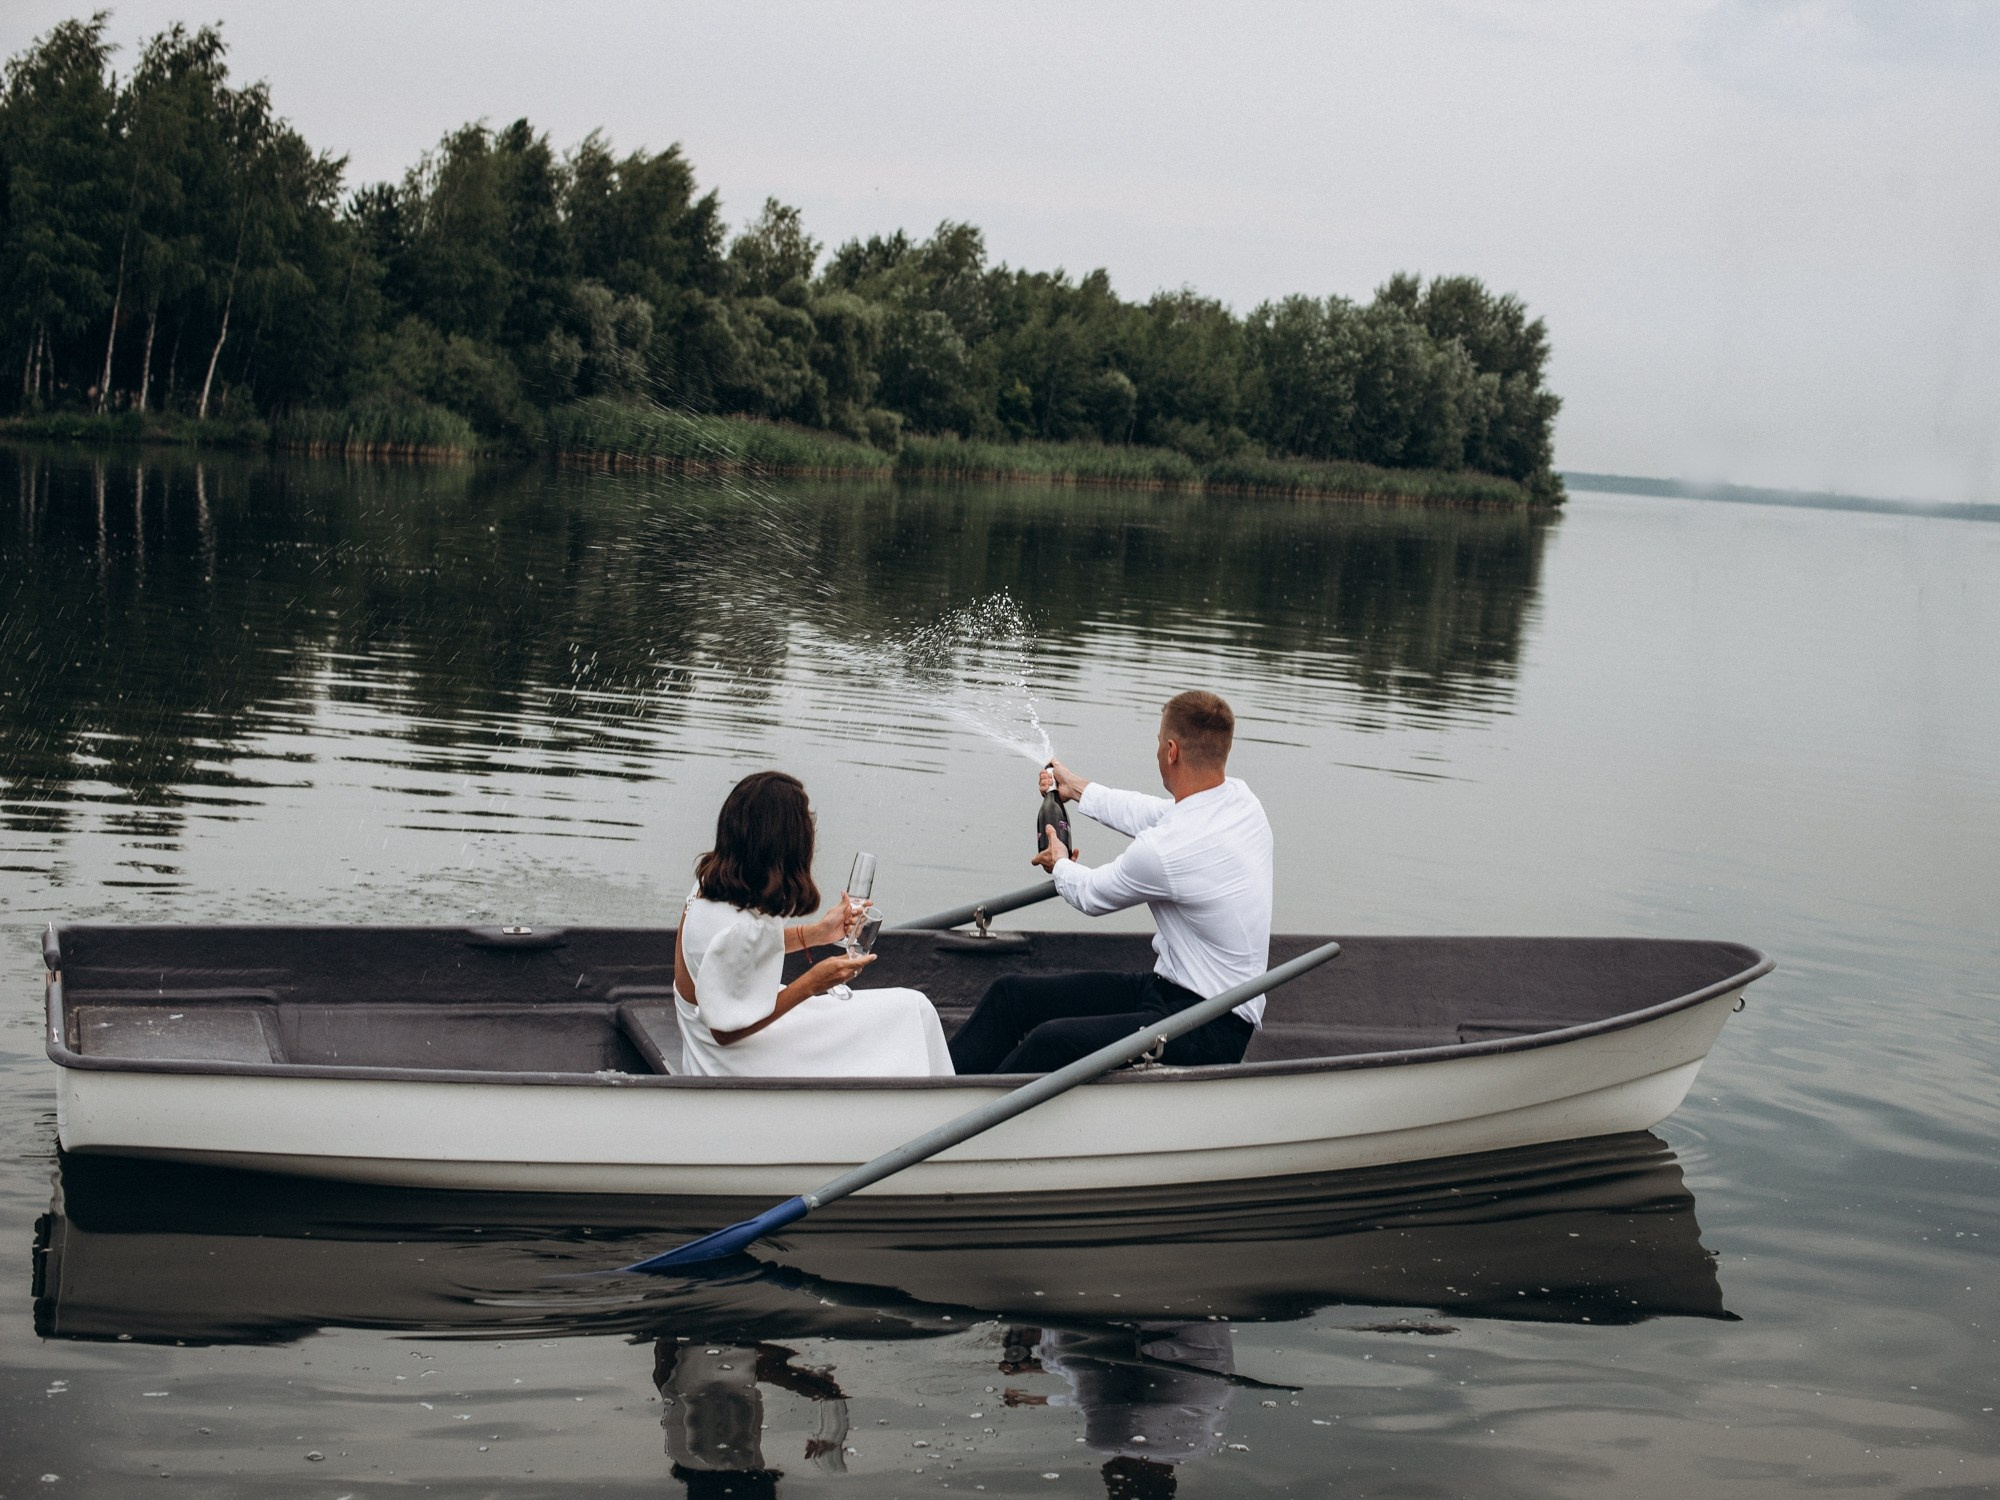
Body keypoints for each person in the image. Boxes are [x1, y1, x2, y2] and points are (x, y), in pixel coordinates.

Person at [947, 690, 1272, 1074]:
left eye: (1156, 743)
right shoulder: (1241, 802)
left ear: (1171, 750)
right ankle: (937, 1092)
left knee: (1050, 1040)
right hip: (1168, 992)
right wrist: (1075, 788)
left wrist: (1060, 862)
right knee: (1010, 996)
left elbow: (1092, 895)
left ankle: (970, 1122)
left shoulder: (1165, 851)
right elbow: (1150, 812)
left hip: (1210, 1029)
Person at [674, 771, 953, 1077]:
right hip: (736, 1061)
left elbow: (742, 954)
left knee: (906, 1010)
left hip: (710, 1048)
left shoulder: (707, 889)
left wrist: (819, 933)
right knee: (914, 1008)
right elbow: (724, 1033)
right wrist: (812, 984)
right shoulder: (736, 929)